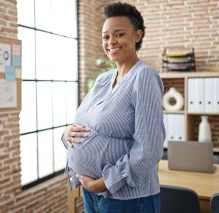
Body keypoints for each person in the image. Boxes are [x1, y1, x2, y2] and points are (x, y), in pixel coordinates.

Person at [61, 2, 165, 213]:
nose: (111, 42)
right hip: (93, 193)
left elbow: (148, 150)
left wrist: (104, 182)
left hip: (128, 200)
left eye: (119, 34)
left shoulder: (143, 77)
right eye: (106, 37)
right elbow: (84, 123)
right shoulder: (103, 79)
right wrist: (67, 133)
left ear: (137, 36)